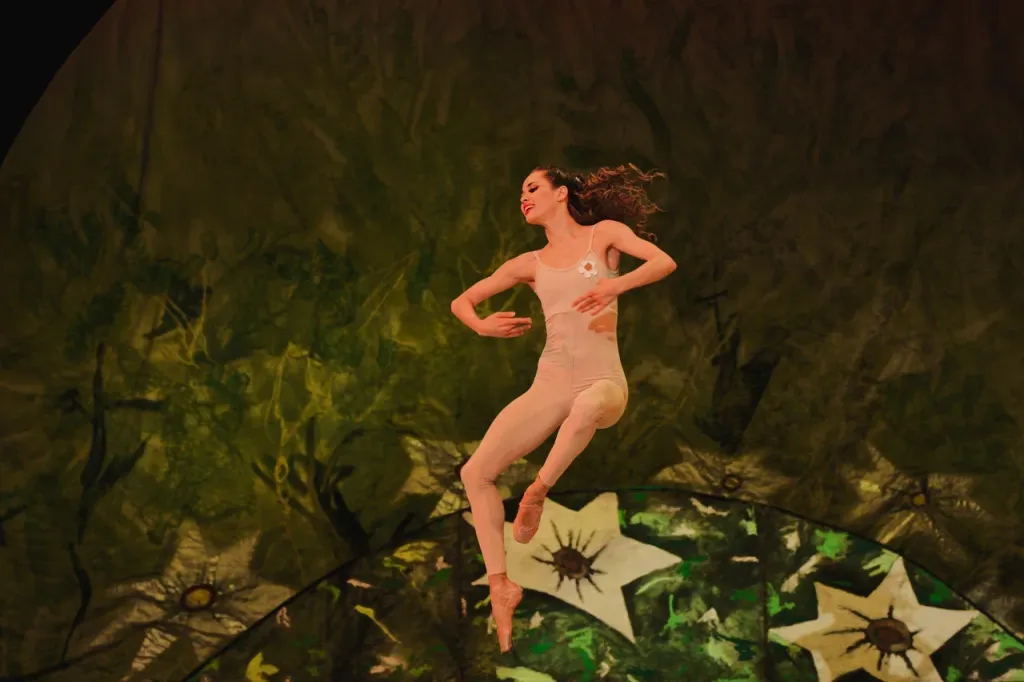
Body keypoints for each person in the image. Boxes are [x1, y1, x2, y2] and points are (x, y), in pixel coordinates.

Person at [450, 164, 677, 652]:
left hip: (603, 383)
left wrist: (615, 286)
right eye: (520, 191)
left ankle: (538, 490)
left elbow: (662, 262)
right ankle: (500, 584)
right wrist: (481, 325)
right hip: (551, 383)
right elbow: (462, 302)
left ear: (561, 193)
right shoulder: (529, 263)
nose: (524, 197)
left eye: (532, 187)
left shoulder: (604, 237)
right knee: (475, 474)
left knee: (587, 405)